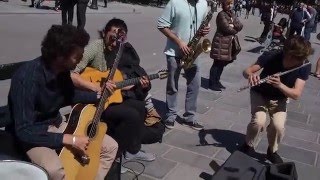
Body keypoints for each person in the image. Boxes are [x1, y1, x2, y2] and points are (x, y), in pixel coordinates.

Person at [7, 25, 118, 180]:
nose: (80, 59)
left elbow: (68, 96)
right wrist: (70, 140)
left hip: (56, 124)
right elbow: (24, 130)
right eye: (76, 57)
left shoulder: (62, 70)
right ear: (59, 55)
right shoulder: (27, 78)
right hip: (34, 133)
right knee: (55, 170)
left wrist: (99, 95)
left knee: (109, 148)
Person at [71, 18, 158, 161]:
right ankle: (119, 157)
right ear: (104, 33)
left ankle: (131, 149)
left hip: (107, 97)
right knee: (131, 115)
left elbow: (117, 81)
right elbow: (72, 74)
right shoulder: (95, 47)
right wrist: (95, 87)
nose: (113, 43)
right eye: (111, 38)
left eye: (117, 40)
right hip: (91, 100)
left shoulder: (118, 50)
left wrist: (138, 84)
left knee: (140, 107)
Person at [240, 36, 312, 164]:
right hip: (260, 93)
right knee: (258, 121)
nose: (301, 62)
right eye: (298, 59)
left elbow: (296, 94)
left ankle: (272, 151)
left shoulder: (304, 65)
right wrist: (251, 76)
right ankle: (248, 144)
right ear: (289, 55)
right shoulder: (272, 55)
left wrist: (280, 85)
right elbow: (247, 71)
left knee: (278, 126)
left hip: (280, 98)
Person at [157, 0, 210, 130]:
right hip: (174, 51)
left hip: (193, 52)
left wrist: (205, 30)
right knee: (172, 85)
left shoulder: (203, 3)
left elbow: (203, 24)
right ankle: (170, 115)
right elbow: (161, 25)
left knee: (195, 84)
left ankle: (189, 117)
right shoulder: (174, 3)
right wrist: (179, 42)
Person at [209, 0, 243, 91]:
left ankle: (217, 80)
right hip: (220, 42)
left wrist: (234, 25)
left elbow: (240, 25)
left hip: (228, 43)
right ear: (223, 4)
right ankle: (212, 83)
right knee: (217, 63)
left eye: (231, 3)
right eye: (228, 4)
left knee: (223, 63)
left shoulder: (231, 13)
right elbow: (226, 28)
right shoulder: (221, 14)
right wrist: (233, 28)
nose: (230, 5)